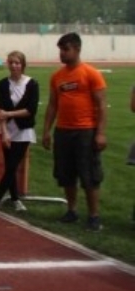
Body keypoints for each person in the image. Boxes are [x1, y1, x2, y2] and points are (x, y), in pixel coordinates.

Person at [41, 32, 108, 231]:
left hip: (85, 131)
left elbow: (102, 105)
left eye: (65, 49)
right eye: (60, 50)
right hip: (63, 131)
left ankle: (94, 216)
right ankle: (72, 210)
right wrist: (47, 131)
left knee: (89, 175)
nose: (62, 54)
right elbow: (53, 105)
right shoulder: (57, 76)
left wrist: (100, 133)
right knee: (66, 174)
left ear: (77, 49)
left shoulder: (91, 73)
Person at [0, 51, 39, 214]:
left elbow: (30, 110)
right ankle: (15, 200)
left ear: (23, 65)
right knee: (10, 166)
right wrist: (4, 132)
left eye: (17, 63)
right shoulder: (1, 85)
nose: (14, 66)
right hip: (7, 129)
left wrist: (10, 114)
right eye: (12, 63)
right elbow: (1, 110)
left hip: (23, 130)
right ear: (8, 64)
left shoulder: (32, 84)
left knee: (12, 166)